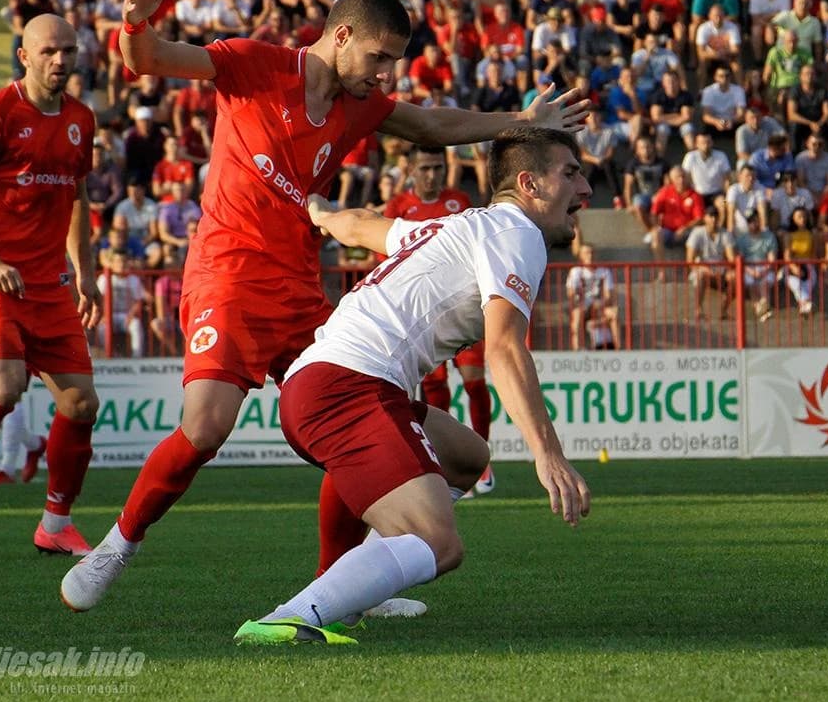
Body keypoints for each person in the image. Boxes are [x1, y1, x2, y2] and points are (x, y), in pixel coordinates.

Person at [60, 0, 586, 612]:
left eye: (396, 62)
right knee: (206, 426)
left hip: (301, 287)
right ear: (341, 37)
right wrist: (135, 24)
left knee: (355, 419)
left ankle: (345, 582)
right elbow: (151, 59)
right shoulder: (254, 64)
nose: (387, 75)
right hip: (228, 272)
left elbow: (430, 124)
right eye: (379, 58)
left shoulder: (360, 103)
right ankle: (118, 544)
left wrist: (522, 122)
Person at [233, 127, 592, 645]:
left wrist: (318, 212)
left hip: (328, 381)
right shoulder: (517, 234)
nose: (584, 189)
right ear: (529, 183)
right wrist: (548, 453)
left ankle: (359, 585)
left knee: (467, 457)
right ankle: (291, 618)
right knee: (438, 543)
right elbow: (505, 349)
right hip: (347, 388)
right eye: (571, 173)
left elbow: (360, 226)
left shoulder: (458, 226)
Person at [0, 14, 102, 564]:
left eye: (69, 50)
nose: (61, 60)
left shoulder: (82, 119)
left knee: (80, 403)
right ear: (24, 56)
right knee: (5, 387)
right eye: (50, 51)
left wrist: (86, 271)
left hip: (51, 282)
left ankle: (56, 524)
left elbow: (78, 197)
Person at [383, 146, 494, 494]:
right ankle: (441, 458)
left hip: (460, 307)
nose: (433, 175)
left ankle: (482, 458)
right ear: (412, 171)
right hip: (422, 312)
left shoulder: (458, 200)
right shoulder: (398, 207)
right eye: (426, 168)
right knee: (434, 388)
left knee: (475, 381)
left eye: (438, 168)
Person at [566, 243, 620, 349]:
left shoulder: (604, 271)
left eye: (592, 253)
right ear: (580, 256)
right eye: (586, 253)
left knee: (614, 314)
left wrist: (601, 303)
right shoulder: (576, 271)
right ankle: (577, 349)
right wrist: (579, 304)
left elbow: (609, 295)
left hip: (599, 305)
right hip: (582, 306)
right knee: (577, 315)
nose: (589, 256)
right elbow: (571, 294)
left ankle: (619, 348)